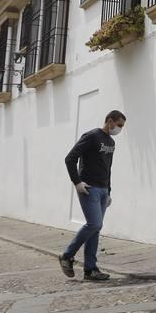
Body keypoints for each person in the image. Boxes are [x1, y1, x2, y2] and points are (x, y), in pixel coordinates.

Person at [58, 110, 124, 282]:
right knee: (94, 223)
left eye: (122, 126)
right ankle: (67, 255)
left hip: (103, 190)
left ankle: (90, 269)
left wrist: (108, 192)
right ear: (110, 121)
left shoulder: (111, 142)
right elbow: (70, 158)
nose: (120, 129)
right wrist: (77, 182)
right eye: (119, 125)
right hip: (89, 188)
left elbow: (108, 168)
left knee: (96, 228)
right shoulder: (92, 136)